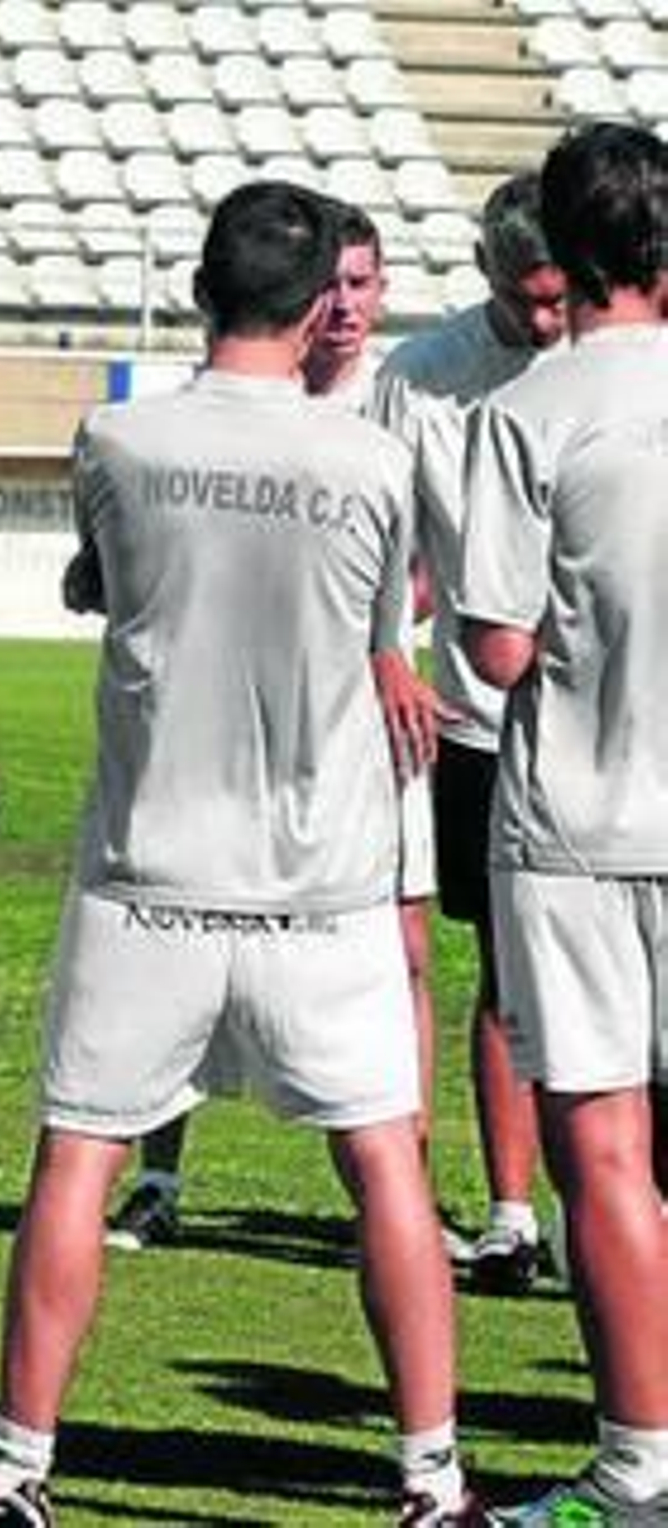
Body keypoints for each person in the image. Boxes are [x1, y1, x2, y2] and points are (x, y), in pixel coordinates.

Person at [0, 182, 479, 1528]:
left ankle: (14, 1472)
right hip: (321, 886)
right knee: (387, 1163)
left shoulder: (116, 436)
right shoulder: (375, 462)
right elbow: (377, 620)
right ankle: (434, 1482)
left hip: (151, 877)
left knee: (79, 1159)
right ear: (316, 302)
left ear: (201, 286)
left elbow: (105, 583)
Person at [105, 202, 445, 1252]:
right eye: (330, 284)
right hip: (214, 750)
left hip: (360, 739)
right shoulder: (192, 419)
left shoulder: (402, 407)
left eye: (362, 283)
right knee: (173, 967)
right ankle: (158, 1175)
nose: (343, 305)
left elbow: (431, 569)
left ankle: (398, 1186)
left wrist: (389, 645)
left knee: (404, 950)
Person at [458, 121, 668, 1524]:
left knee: (602, 1148)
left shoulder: (526, 412)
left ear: (561, 257)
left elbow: (497, 648)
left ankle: (641, 1463)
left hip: (585, 819)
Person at [371, 173, 568, 1296]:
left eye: (557, 299)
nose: (543, 324)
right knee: (503, 966)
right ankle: (508, 1216)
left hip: (616, 725)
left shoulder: (612, 367)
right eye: (523, 300)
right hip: (481, 721)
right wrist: (384, 646)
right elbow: (382, 543)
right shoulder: (422, 378)